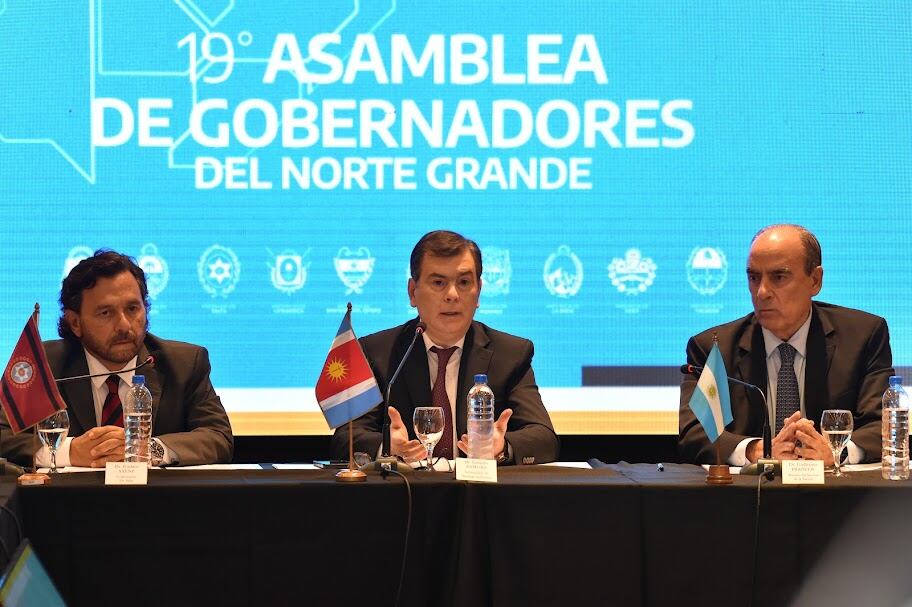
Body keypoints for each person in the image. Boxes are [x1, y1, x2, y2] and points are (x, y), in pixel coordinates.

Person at [331, 230, 559, 465]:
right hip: (405, 496)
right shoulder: (378, 352)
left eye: (463, 282)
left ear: (478, 291)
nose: (452, 295)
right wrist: (387, 446)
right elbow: (345, 439)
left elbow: (543, 438)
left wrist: (501, 447)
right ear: (412, 292)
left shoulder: (510, 354)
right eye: (438, 282)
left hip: (480, 496)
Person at [679, 225, 892, 465]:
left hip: (836, 498)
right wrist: (757, 450)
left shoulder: (863, 336)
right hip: (746, 498)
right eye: (753, 277)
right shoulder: (712, 348)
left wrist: (835, 451)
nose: (761, 292)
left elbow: (884, 425)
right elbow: (694, 433)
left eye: (778, 277)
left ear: (815, 280)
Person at [0, 250, 233, 468]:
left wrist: (146, 449)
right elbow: (2, 432)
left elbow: (217, 436)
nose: (123, 325)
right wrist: (68, 451)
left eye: (133, 309)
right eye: (105, 313)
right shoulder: (43, 365)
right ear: (75, 323)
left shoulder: (184, 363)